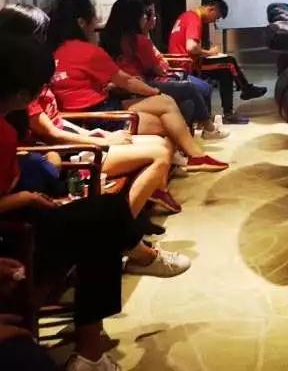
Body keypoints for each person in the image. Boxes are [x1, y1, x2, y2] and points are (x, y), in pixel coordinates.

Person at [0, 34, 189, 371]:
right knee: (102, 222)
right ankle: (138, 256)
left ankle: (92, 352)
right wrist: (22, 196)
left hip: (25, 212)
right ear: (20, 94)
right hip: (16, 234)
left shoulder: (6, 126)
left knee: (105, 214)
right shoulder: (5, 133)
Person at [0, 3, 181, 215]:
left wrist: (91, 134)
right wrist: (101, 141)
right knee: (160, 148)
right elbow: (50, 134)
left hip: (69, 142)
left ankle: (140, 211)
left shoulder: (29, 76)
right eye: (41, 35)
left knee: (162, 137)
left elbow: (56, 120)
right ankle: (125, 225)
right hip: (64, 153)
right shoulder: (21, 85)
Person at [47, 0, 227, 172]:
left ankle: (192, 157)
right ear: (81, 22)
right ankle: (190, 156)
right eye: (93, 17)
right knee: (170, 116)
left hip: (94, 110)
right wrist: (154, 91)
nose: (96, 22)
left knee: (167, 103)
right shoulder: (89, 51)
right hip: (100, 114)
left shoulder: (53, 53)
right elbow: (128, 80)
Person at [100, 0, 228, 140]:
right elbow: (157, 69)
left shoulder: (107, 39)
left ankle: (202, 127)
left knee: (191, 89)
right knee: (190, 88)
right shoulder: (139, 40)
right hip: (141, 84)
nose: (150, 18)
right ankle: (208, 128)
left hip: (122, 87)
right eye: (145, 15)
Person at [168, 0, 266, 125]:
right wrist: (210, 53)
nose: (214, 21)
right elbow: (191, 47)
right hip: (187, 64)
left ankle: (233, 107)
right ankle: (245, 90)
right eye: (216, 17)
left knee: (226, 69)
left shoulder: (186, 16)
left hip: (182, 62)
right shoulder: (194, 19)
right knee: (229, 63)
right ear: (211, 9)